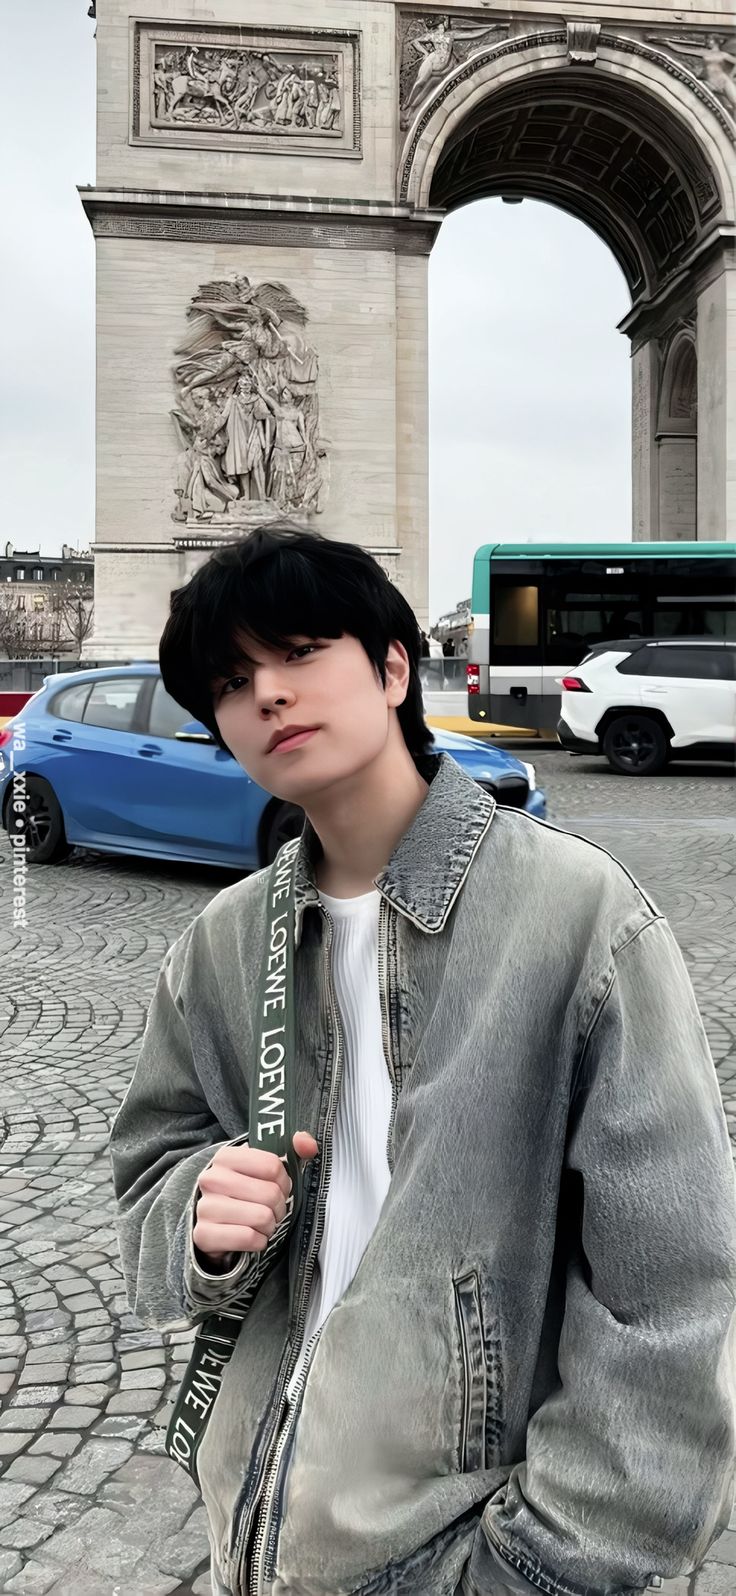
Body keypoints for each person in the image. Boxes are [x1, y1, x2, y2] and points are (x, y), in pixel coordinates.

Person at [109, 524, 736, 1596]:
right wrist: (200, 1218)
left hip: (468, 1553)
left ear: (394, 666)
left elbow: (671, 1299)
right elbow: (154, 1168)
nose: (266, 693)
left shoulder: (580, 919)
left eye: (300, 651)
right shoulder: (217, 941)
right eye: (231, 678)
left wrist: (541, 1570)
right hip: (253, 1537)